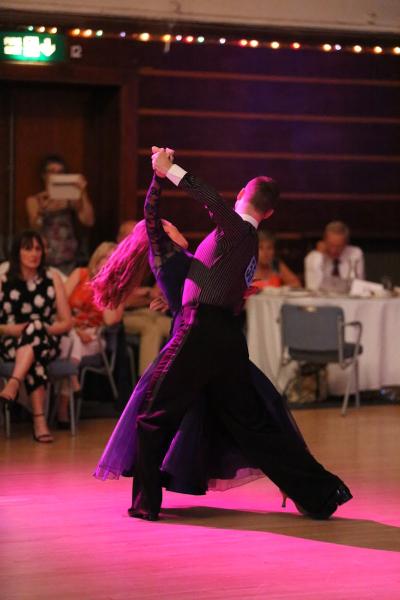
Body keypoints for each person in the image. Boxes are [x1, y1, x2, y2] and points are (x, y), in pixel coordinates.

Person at [101, 147, 352, 521]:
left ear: (240, 198)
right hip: (225, 339)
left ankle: (145, 504)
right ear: (269, 213)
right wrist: (179, 297)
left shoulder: (234, 228)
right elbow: (212, 282)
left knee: (154, 414)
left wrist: (168, 170)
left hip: (201, 333)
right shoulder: (243, 246)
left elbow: (208, 198)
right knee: (253, 426)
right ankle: (320, 494)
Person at [0, 231, 72, 442]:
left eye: (38, 249)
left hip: (48, 340)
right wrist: (9, 330)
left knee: (36, 333)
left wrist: (41, 328)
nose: (34, 253)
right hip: (11, 342)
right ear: (17, 252)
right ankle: (39, 422)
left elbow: (67, 322)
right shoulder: (3, 277)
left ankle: (14, 381)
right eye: (27, 248)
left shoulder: (52, 277)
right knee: (34, 353)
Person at [57, 242, 124, 426]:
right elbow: (59, 305)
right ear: (98, 258)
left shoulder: (116, 288)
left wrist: (106, 285)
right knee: (70, 344)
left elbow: (110, 320)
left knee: (70, 347)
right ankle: (71, 387)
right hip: (70, 330)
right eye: (107, 258)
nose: (111, 262)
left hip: (94, 337)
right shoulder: (79, 274)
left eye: (115, 259)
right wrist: (75, 330)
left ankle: (61, 409)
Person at [26, 154, 95, 275]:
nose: (56, 175)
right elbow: (34, 227)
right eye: (52, 171)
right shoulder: (35, 200)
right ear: (44, 175)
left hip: (69, 260)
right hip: (43, 260)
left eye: (60, 171)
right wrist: (42, 210)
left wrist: (82, 192)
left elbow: (89, 221)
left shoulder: (71, 198)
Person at [304, 221, 365, 291]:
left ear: (346, 243)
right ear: (324, 240)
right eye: (331, 245)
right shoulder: (313, 257)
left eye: (339, 246)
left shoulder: (355, 253)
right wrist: (318, 256)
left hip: (347, 300)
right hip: (321, 300)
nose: (334, 250)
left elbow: (358, 286)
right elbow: (312, 287)